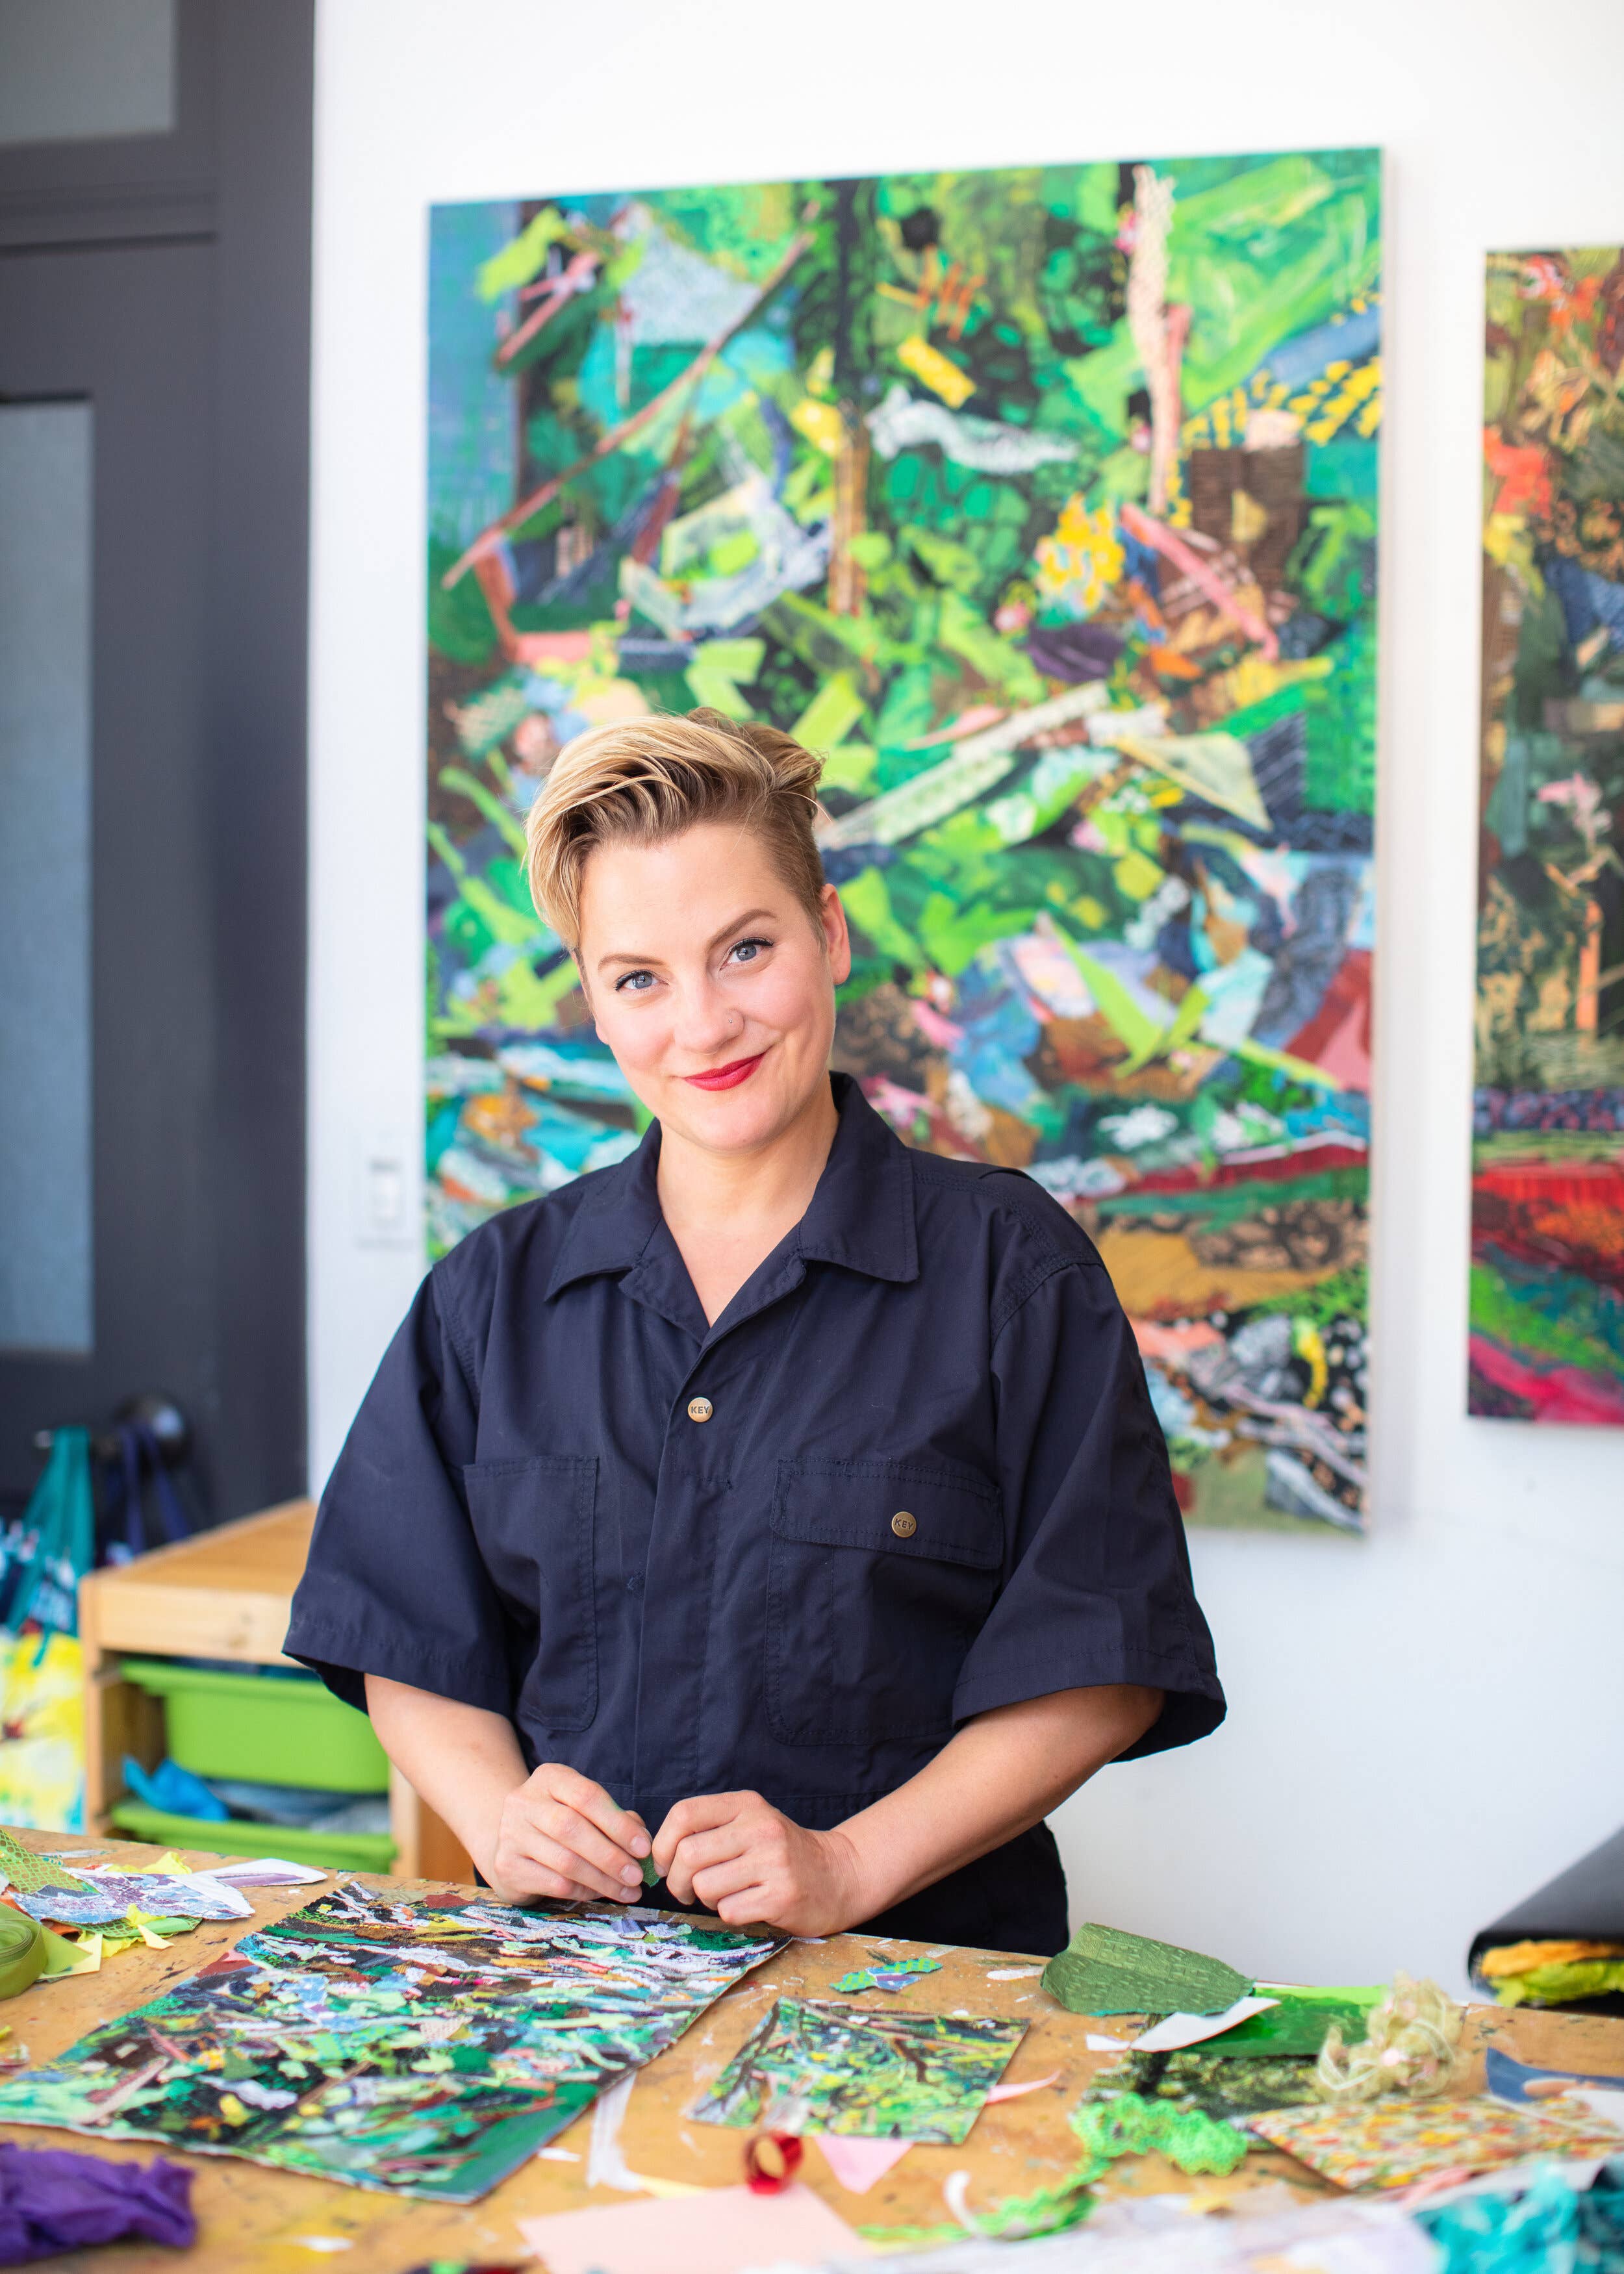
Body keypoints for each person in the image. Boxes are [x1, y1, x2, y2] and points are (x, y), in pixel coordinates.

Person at [286, 711, 1223, 1954]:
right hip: (574, 1989)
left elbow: (1102, 1662)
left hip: (909, 1995)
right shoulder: (490, 1294)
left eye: (744, 950)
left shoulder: (1014, 1272)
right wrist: (499, 1814)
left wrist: (847, 1864)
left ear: (828, 932)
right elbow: (401, 1628)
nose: (703, 1024)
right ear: (595, 1001)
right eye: (640, 978)